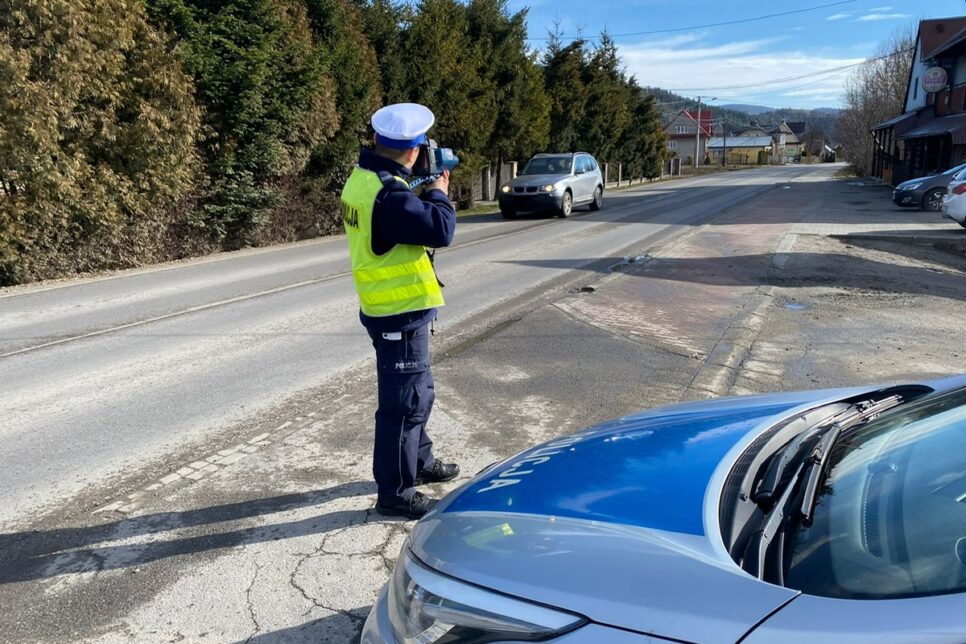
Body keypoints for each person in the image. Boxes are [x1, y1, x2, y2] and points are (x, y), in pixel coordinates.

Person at [341, 103, 460, 520]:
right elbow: (441, 229)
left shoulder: (365, 179)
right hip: (398, 316)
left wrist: (416, 186)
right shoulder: (389, 195)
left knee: (419, 394)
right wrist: (439, 193)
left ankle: (419, 461)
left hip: (394, 312)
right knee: (403, 406)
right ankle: (395, 492)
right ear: (412, 151)